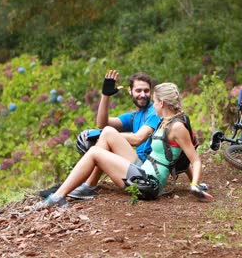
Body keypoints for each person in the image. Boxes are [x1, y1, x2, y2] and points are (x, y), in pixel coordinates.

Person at [35, 82, 213, 208]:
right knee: (109, 132)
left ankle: (58, 196)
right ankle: (86, 187)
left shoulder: (177, 126)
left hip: (148, 184)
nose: (153, 104)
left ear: (162, 102)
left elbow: (193, 160)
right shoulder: (165, 121)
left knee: (95, 153)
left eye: (154, 100)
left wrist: (195, 185)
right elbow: (180, 158)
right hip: (144, 170)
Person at [40, 70, 161, 199]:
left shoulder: (154, 112)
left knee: (107, 133)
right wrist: (105, 95)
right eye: (138, 91)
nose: (142, 94)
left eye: (146, 91)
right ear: (130, 91)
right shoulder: (134, 116)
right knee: (106, 134)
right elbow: (102, 123)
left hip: (147, 171)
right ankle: (85, 185)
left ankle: (86, 185)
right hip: (138, 166)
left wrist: (100, 134)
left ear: (151, 92)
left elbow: (137, 139)